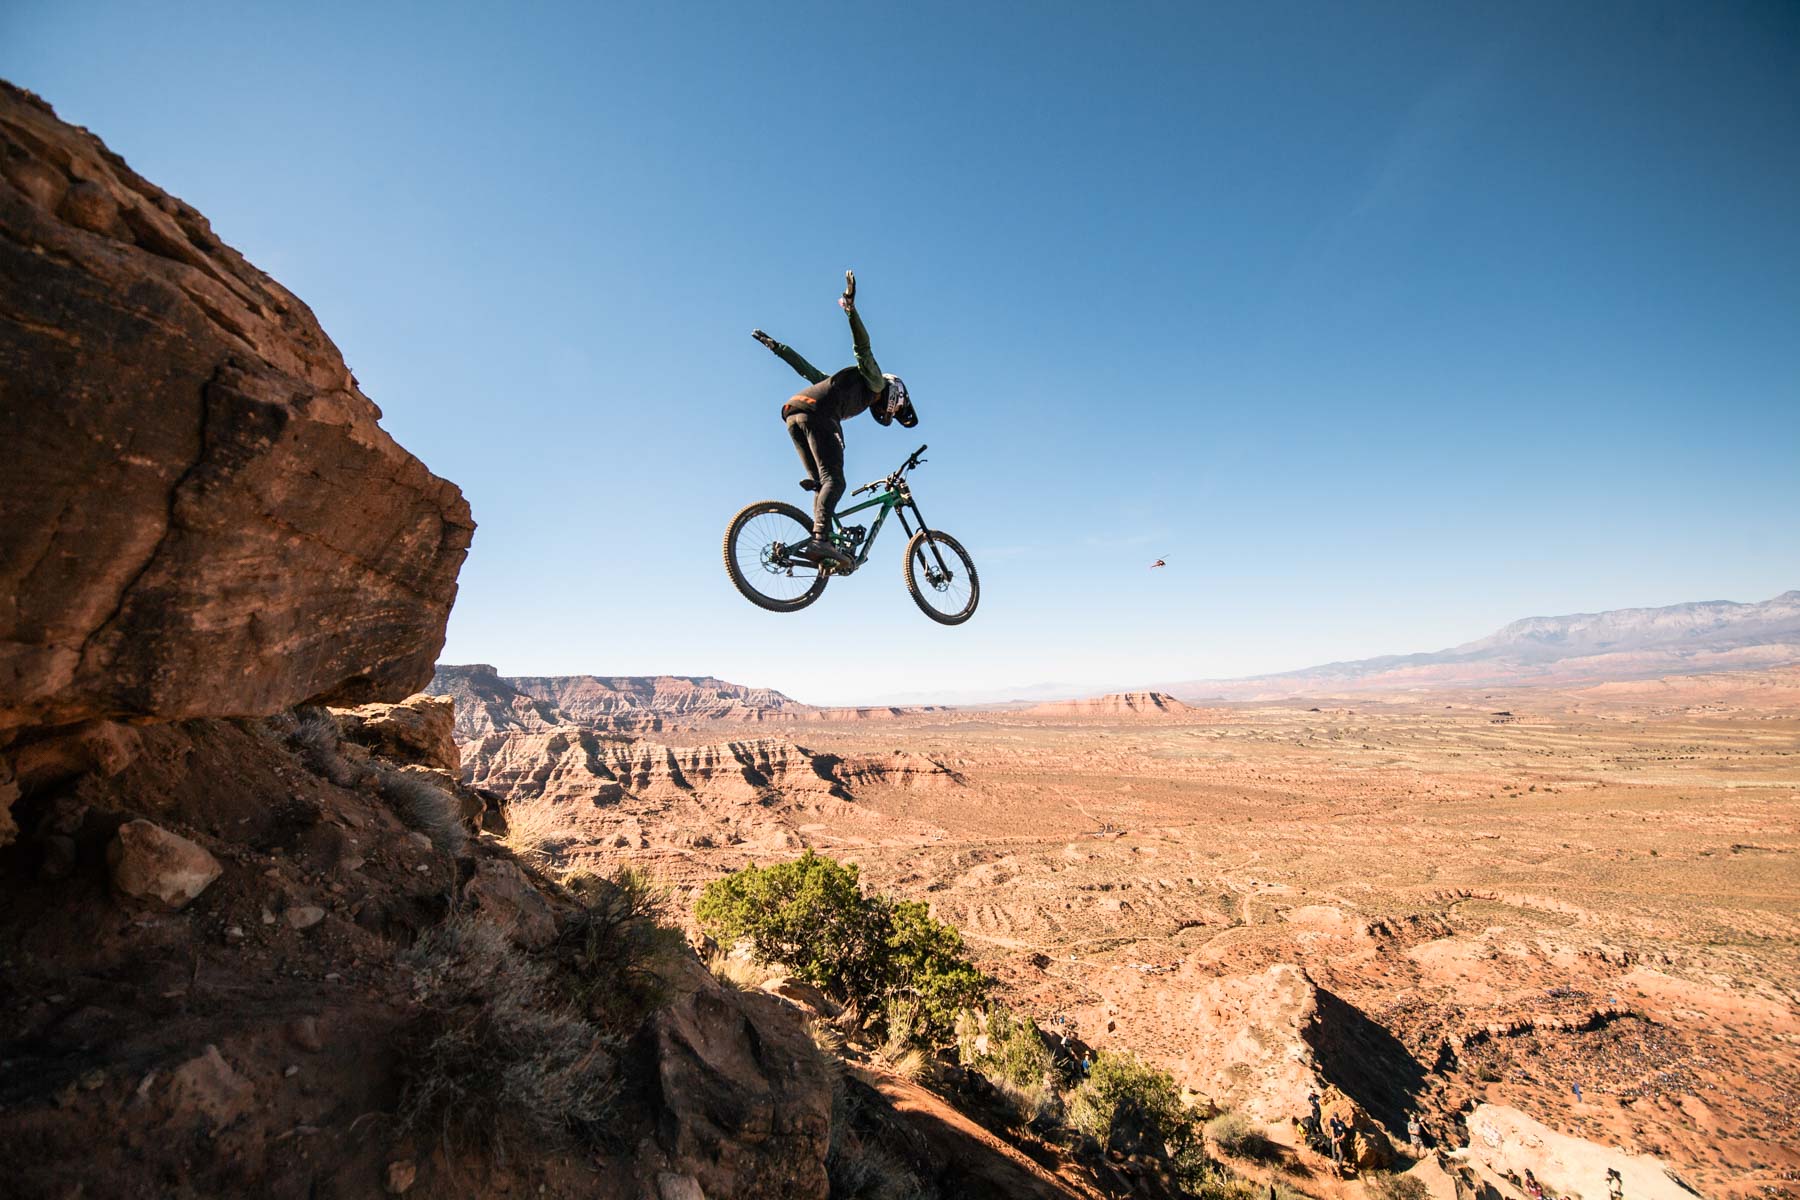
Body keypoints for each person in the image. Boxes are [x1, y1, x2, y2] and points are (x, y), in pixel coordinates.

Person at [753, 270, 916, 567]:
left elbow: (808, 372)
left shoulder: (842, 388)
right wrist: (851, 310)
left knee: (820, 483)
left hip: (792, 413)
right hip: (818, 415)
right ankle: (821, 540)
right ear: (894, 395)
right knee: (835, 481)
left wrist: (779, 349)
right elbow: (863, 349)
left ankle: (821, 543)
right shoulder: (876, 383)